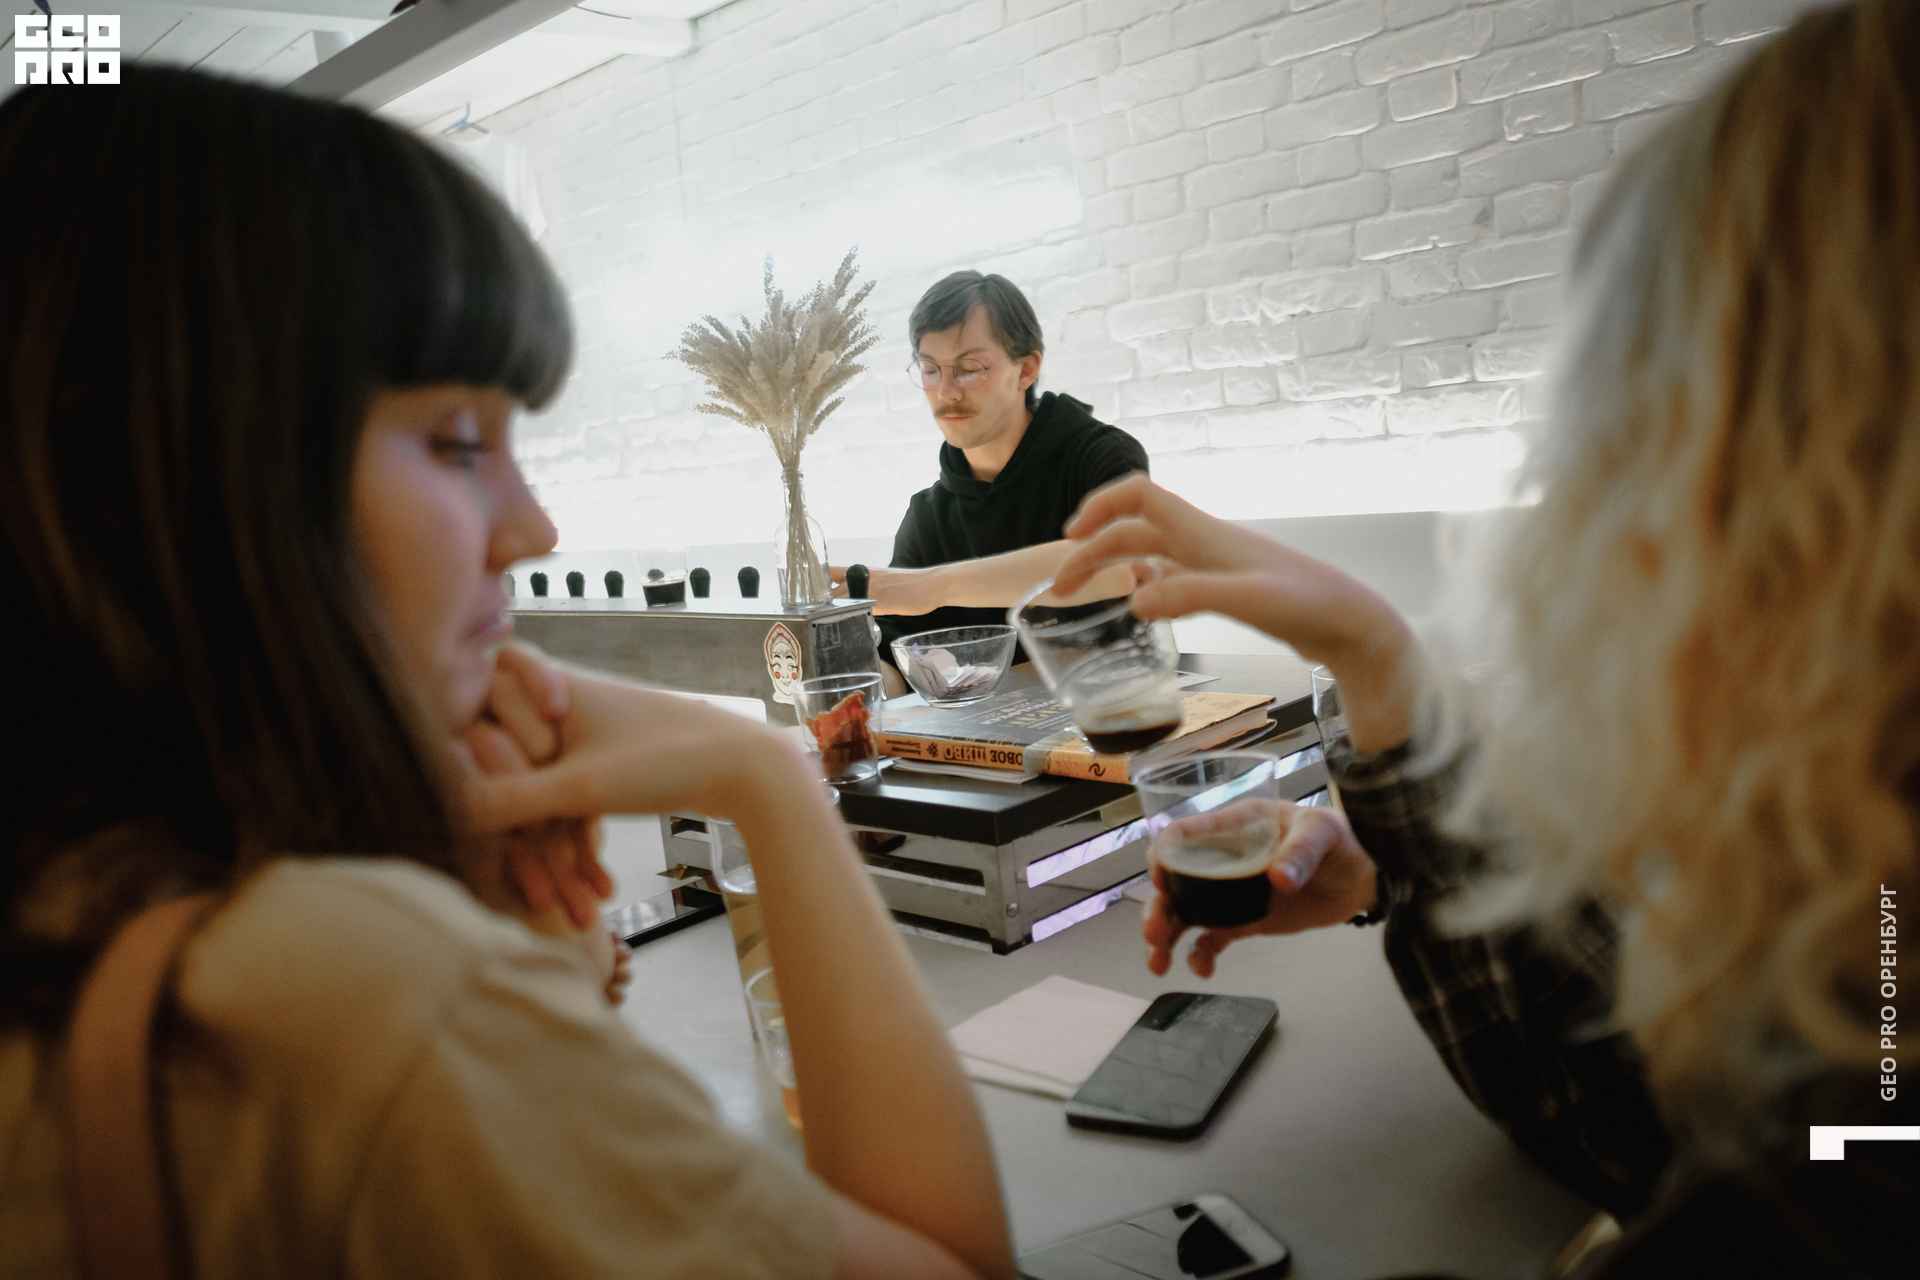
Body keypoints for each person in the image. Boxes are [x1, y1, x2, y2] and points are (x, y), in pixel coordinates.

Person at [0, 68, 1014, 1279]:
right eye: (456, 443)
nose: (533, 526)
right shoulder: (368, 1001)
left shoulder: (80, 902)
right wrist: (765, 780)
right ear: (143, 472)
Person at [1054, 2, 1918, 1273]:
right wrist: (1395, 793)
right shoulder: (1878, 966)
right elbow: (1718, 1124)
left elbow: (1786, 1165)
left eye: (1646, 438)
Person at [832, 272, 1147, 683]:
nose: (946, 392)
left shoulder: (1100, 455)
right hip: (992, 723)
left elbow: (1119, 563)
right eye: (930, 370)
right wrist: (848, 684)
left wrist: (933, 586)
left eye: (969, 369)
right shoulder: (927, 516)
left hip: (1118, 705)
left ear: (1026, 369)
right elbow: (898, 664)